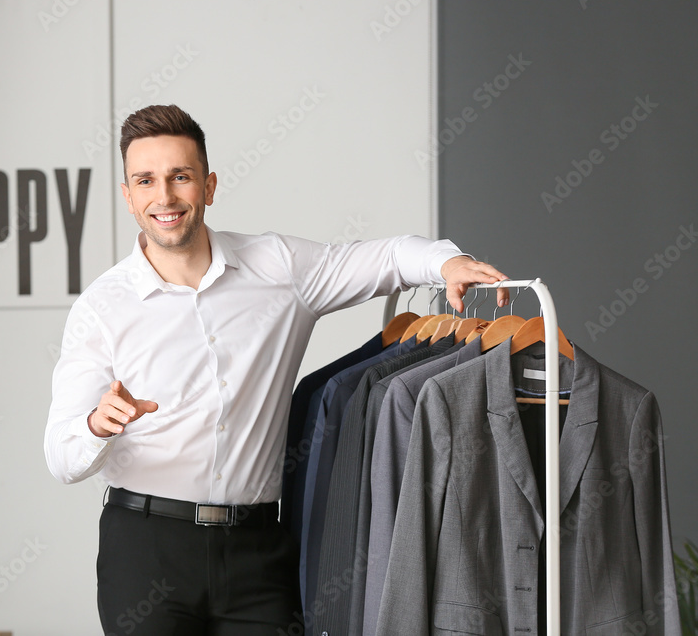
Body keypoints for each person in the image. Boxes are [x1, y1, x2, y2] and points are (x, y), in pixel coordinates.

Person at [44, 104, 509, 635]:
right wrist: (95, 426)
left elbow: (386, 259)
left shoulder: (278, 267)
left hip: (258, 551)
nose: (165, 197)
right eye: (145, 181)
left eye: (181, 177)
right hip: (148, 550)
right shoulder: (101, 308)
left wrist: (445, 263)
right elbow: (61, 456)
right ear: (128, 196)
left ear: (209, 186)